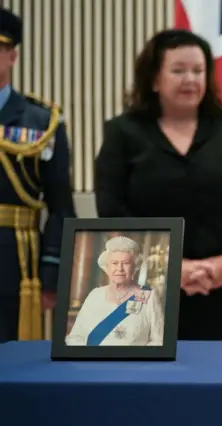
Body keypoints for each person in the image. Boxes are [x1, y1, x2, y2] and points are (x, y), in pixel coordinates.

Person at [94, 29, 222, 341]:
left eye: (198, 70)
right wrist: (169, 266)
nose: (190, 79)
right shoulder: (123, 133)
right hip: (145, 291)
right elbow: (112, 210)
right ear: (153, 80)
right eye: (178, 70)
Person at [0, 8, 76, 343]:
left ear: (12, 55)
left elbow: (61, 206)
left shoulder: (41, 121)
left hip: (15, 262)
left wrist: (50, 272)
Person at [65, 236, 164, 346]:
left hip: (132, 362)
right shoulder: (95, 295)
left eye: (126, 263)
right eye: (114, 263)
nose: (120, 268)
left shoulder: (149, 296)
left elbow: (159, 341)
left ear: (135, 266)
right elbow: (75, 337)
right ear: (107, 267)